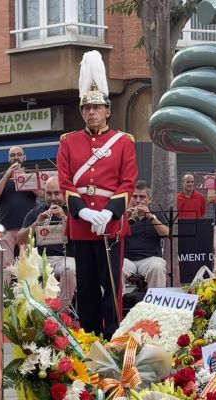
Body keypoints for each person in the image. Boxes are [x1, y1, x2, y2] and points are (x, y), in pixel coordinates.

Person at [57, 50, 138, 338]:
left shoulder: (123, 142)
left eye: (97, 107)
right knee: (87, 285)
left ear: (107, 110)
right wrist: (83, 210)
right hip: (82, 225)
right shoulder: (68, 142)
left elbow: (128, 181)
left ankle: (113, 335)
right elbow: (65, 181)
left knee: (112, 286)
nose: (91, 112)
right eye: (86, 108)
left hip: (111, 225)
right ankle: (89, 336)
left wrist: (108, 212)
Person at [17, 176, 76, 311]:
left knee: (69, 270)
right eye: (49, 193)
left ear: (64, 193)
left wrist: (64, 218)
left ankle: (62, 314)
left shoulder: (73, 210)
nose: (53, 198)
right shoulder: (37, 211)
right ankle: (33, 313)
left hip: (67, 258)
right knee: (26, 270)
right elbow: (19, 240)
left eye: (57, 193)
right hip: (41, 258)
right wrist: (36, 224)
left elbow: (80, 237)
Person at [0, 146, 38, 271]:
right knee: (5, 264)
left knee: (27, 264)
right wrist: (7, 175)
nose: (16, 157)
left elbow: (41, 194)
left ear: (24, 157)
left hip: (27, 226)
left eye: (19, 154)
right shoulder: (1, 176)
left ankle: (26, 290)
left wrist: (25, 178)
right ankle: (6, 290)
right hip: (6, 226)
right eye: (12, 155)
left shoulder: (31, 174)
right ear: (8, 158)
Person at [123, 181, 169, 288]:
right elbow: (112, 235)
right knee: (115, 269)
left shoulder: (156, 215)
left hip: (150, 258)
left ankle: (155, 304)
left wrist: (150, 216)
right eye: (134, 197)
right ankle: (115, 304)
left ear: (150, 200)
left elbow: (166, 234)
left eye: (142, 197)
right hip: (126, 259)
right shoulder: (123, 215)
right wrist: (124, 218)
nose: (138, 200)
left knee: (158, 268)